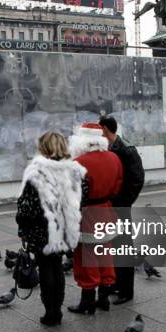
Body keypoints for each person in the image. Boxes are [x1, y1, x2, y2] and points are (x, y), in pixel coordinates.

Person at [16, 132, 87, 326]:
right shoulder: (75, 170)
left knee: (46, 267)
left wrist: (23, 228)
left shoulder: (36, 172)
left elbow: (26, 207)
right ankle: (57, 310)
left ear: (44, 147)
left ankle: (51, 312)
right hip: (65, 229)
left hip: (42, 230)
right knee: (57, 266)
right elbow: (83, 198)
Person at [68, 123, 123, 315]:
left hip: (87, 214)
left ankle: (87, 303)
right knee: (105, 254)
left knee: (87, 258)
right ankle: (104, 298)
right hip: (106, 211)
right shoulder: (114, 158)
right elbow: (117, 187)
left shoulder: (78, 162)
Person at [99, 116, 145, 305]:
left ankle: (127, 291)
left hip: (121, 206)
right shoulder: (110, 148)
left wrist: (124, 203)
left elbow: (137, 179)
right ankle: (117, 284)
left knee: (124, 248)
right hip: (113, 206)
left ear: (104, 128)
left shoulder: (126, 149)